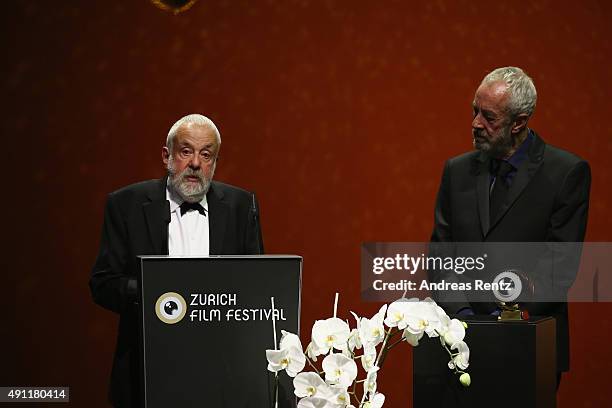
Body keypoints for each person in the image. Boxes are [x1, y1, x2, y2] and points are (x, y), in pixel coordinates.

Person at [430, 67, 590, 387]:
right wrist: (465, 319)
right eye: (475, 111)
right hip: (459, 347)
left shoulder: (566, 173)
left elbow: (558, 268)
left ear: (519, 122)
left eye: (488, 117)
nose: (476, 123)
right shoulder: (457, 171)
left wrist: (502, 322)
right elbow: (440, 257)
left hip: (529, 346)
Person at [90, 114, 264, 407]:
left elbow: (256, 284)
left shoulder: (241, 206)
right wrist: (157, 290)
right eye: (186, 151)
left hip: (221, 373)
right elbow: (103, 283)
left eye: (206, 154)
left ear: (215, 163)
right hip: (147, 369)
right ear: (166, 156)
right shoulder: (126, 205)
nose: (195, 163)